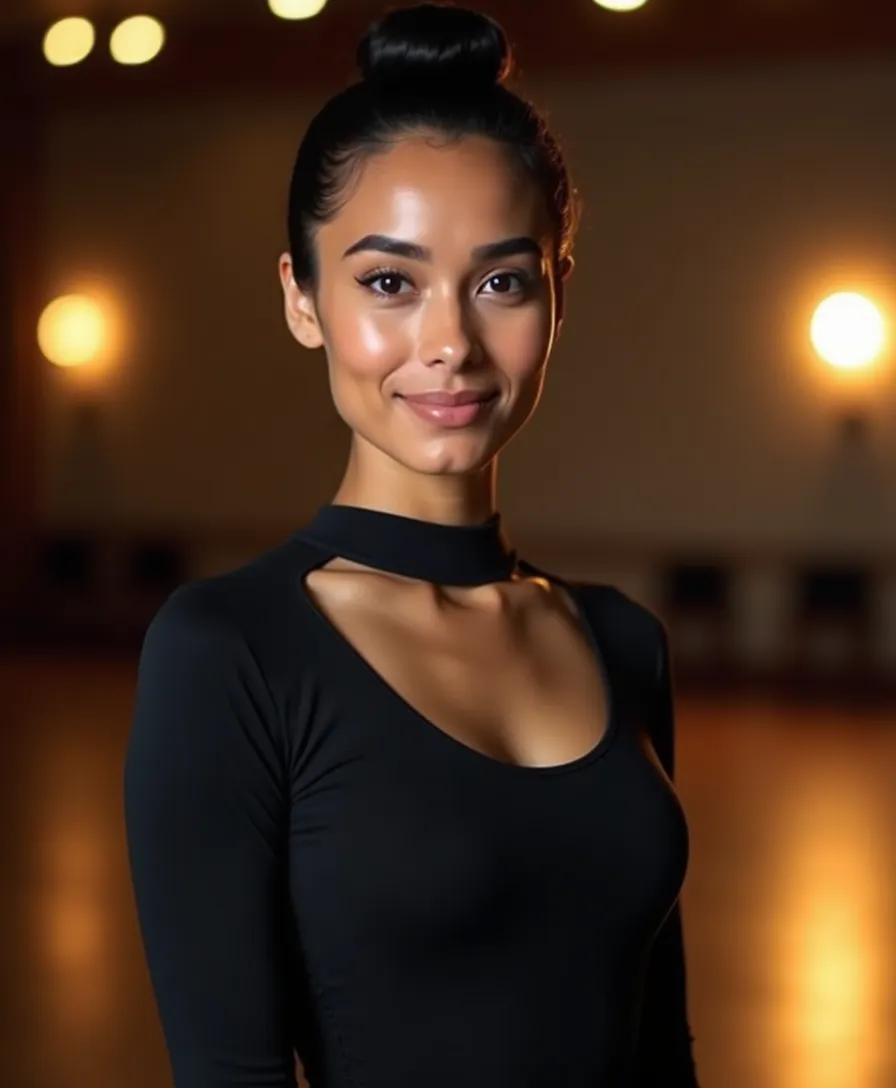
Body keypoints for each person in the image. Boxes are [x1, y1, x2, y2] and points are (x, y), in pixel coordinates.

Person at [123, 4, 700, 1086]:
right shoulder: (230, 651)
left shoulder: (623, 641)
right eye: (388, 281)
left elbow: (661, 1052)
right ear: (303, 300)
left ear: (558, 295)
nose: (450, 344)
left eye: (500, 280)